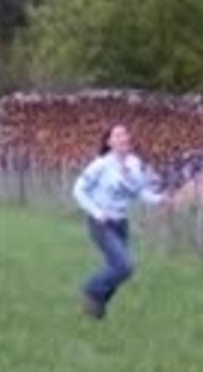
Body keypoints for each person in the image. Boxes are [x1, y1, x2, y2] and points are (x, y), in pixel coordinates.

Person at [72, 123, 172, 319]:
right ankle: (91, 289)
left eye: (125, 134)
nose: (123, 138)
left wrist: (160, 199)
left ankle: (95, 309)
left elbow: (139, 191)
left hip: (121, 224)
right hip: (101, 223)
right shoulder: (101, 165)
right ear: (109, 142)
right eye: (117, 135)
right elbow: (77, 190)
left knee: (118, 269)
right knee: (125, 266)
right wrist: (97, 212)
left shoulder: (134, 163)